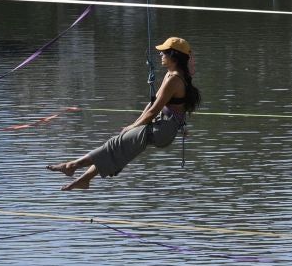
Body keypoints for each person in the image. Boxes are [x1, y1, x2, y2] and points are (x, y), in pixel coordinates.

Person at [47, 37, 201, 191]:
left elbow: (154, 111)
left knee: (116, 144)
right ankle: (83, 179)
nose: (160, 55)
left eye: (163, 52)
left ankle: (72, 166)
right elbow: (153, 105)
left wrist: (133, 126)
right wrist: (135, 123)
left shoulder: (174, 80)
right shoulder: (172, 75)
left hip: (162, 130)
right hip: (163, 126)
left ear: (173, 56)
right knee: (118, 150)